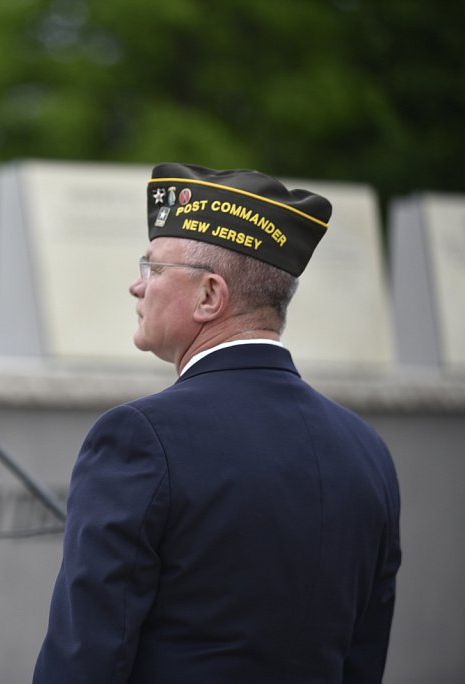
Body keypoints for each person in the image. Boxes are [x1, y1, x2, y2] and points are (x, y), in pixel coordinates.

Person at [33, 163, 401, 683]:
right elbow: (363, 657)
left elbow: (86, 656)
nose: (137, 286)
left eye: (154, 269)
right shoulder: (366, 450)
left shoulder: (139, 436)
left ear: (210, 296)